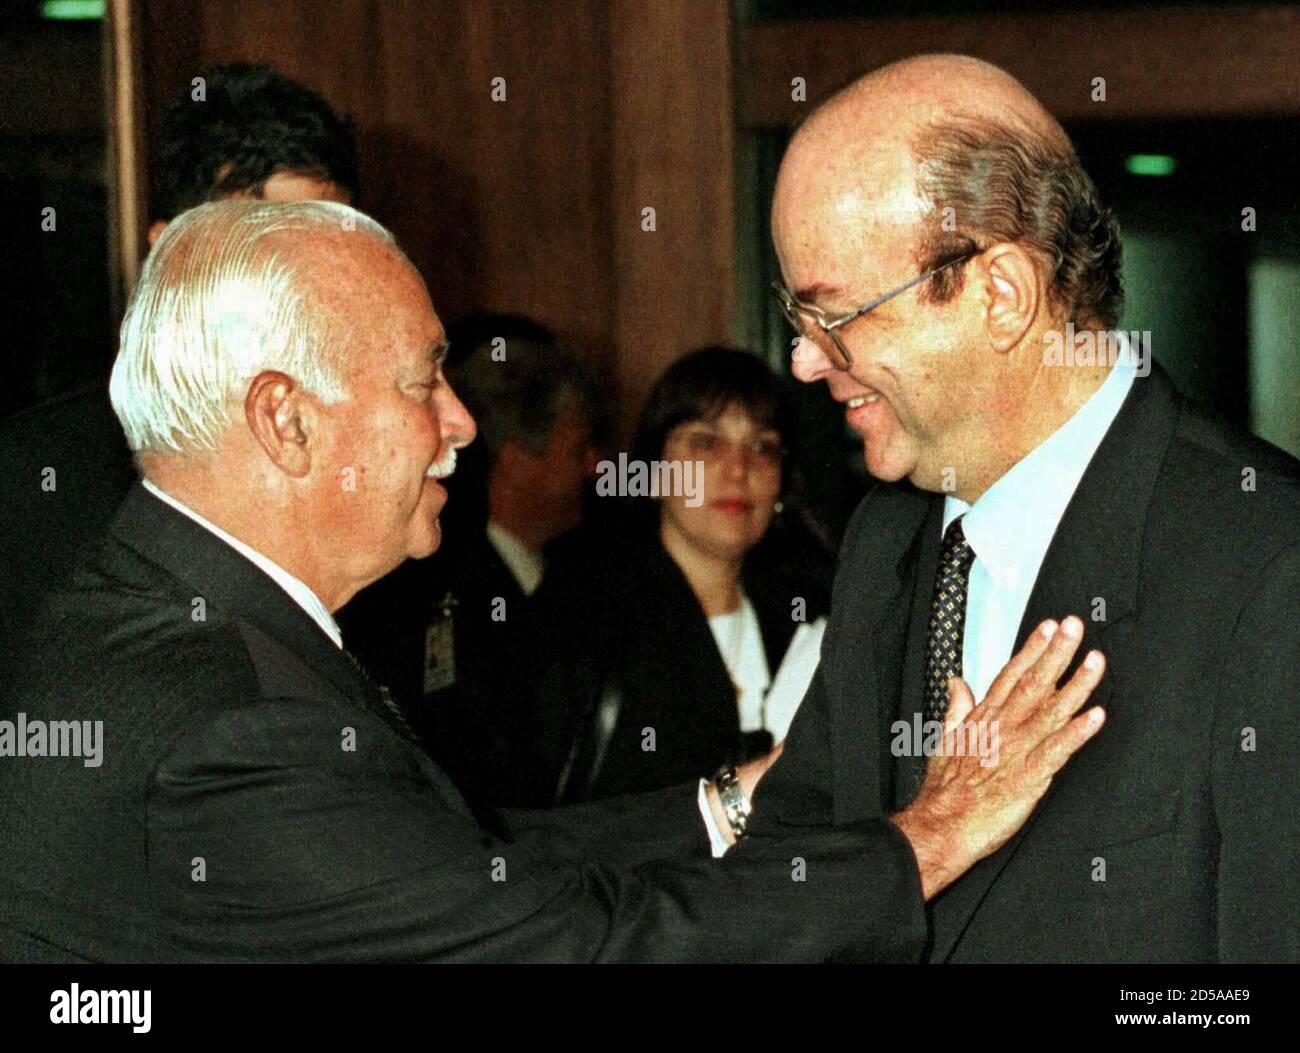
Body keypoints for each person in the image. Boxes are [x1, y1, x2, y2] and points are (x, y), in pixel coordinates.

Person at [0, 199, 1107, 963]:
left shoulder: (165, 611)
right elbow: (568, 948)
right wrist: (931, 840)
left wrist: (722, 805)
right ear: (285, 420)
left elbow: (456, 871)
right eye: (423, 378)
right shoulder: (229, 725)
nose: (461, 424)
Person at [758, 53, 1300, 962]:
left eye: (835, 317)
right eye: (795, 316)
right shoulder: (884, 542)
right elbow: (786, 882)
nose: (805, 362)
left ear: (1001, 295)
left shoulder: (1265, 565)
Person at [0, 63, 358, 655]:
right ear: (169, 250)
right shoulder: (36, 486)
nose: (304, 285)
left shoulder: (377, 463)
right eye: (267, 246)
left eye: (335, 251)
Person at [512, 347, 832, 806]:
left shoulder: (814, 615)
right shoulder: (581, 614)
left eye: (762, 447)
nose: (739, 469)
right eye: (706, 442)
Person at [339, 327, 600, 785]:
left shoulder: (588, 577)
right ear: (518, 462)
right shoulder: (426, 597)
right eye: (577, 449)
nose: (595, 467)